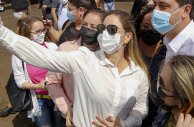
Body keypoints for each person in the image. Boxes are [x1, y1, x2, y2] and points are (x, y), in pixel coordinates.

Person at [0, 9, 149, 127]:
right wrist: (2, 33)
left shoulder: (138, 73)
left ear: (128, 37)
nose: (104, 33)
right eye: (102, 28)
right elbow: (40, 56)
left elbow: (141, 107)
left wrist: (124, 124)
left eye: (111, 30)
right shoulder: (85, 58)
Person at [46, 9, 104, 126]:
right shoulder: (65, 49)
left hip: (100, 118)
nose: (87, 29)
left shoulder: (108, 54)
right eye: (85, 24)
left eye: (93, 26)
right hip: (72, 118)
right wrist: (67, 107)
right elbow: (52, 82)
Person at [11, 16, 65, 127]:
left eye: (43, 30)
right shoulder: (19, 55)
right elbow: (19, 80)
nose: (41, 34)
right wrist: (37, 86)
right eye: (37, 31)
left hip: (58, 97)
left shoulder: (52, 47)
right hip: (39, 101)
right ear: (27, 33)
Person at [151, 55, 194, 127]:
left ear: (183, 101)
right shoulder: (168, 111)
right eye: (159, 76)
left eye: (161, 84)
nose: (156, 83)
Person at [135, 5, 166, 127]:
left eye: (156, 27)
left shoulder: (169, 54)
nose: (150, 30)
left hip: (156, 118)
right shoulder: (129, 50)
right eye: (146, 26)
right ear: (140, 26)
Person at [0, 0, 30, 117]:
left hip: (24, 59)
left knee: (14, 83)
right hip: (19, 57)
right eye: (13, 11)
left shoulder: (28, 23)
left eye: (16, 11)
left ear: (25, 10)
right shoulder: (21, 22)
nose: (14, 13)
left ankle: (12, 106)